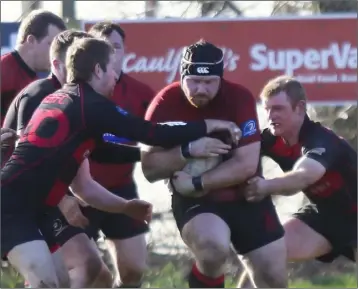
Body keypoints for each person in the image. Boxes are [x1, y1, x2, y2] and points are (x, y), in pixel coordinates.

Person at [1, 37, 241, 288]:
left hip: (38, 208)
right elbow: (151, 133)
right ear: (97, 69)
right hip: (12, 206)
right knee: (45, 282)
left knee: (62, 280)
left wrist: (142, 171)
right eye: (113, 69)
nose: (117, 77)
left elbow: (104, 153)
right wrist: (208, 125)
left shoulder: (66, 99)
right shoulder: (91, 105)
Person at [141, 40, 287, 288]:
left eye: (209, 83)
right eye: (194, 81)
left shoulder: (239, 98)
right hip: (197, 203)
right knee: (213, 249)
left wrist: (198, 182)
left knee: (273, 278)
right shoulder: (165, 103)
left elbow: (247, 164)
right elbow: (149, 168)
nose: (201, 89)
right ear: (182, 76)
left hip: (246, 197)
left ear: (220, 79)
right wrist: (187, 151)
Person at [2, 29, 137, 288]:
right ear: (59, 65)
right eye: (75, 62)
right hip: (18, 203)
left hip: (43, 203)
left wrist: (125, 203)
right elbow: (29, 163)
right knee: (59, 275)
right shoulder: (41, 96)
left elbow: (84, 175)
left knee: (94, 273)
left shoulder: (78, 102)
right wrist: (64, 201)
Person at [48, 22, 156, 288]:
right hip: (79, 191)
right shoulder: (71, 96)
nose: (111, 52)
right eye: (103, 47)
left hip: (121, 187)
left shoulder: (142, 93)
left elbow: (158, 136)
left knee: (134, 269)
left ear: (123, 51)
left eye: (115, 47)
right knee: (87, 272)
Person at [244, 75, 357, 263]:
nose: (271, 116)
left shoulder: (322, 140)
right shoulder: (270, 140)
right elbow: (236, 152)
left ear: (300, 108)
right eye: (268, 110)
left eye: (278, 109)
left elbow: (304, 176)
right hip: (325, 215)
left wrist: (265, 187)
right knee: (263, 254)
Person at [1, 9, 66, 123]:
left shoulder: (37, 84)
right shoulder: (3, 71)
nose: (56, 53)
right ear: (31, 40)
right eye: (51, 45)